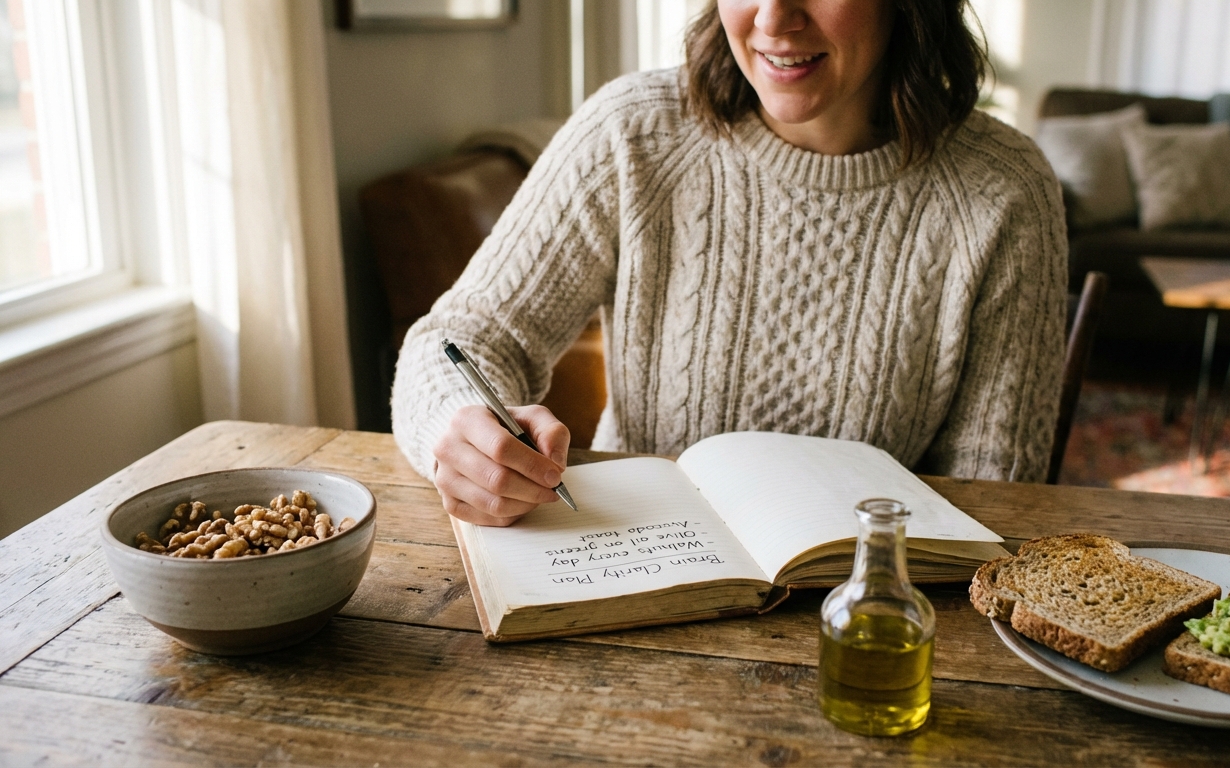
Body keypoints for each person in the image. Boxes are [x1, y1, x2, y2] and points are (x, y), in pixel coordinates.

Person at [391, 0, 1068, 527]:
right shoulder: (632, 132)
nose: (773, 19)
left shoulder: (1003, 190)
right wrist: (460, 427)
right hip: (633, 568)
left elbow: (993, 498)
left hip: (862, 607)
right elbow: (461, 338)